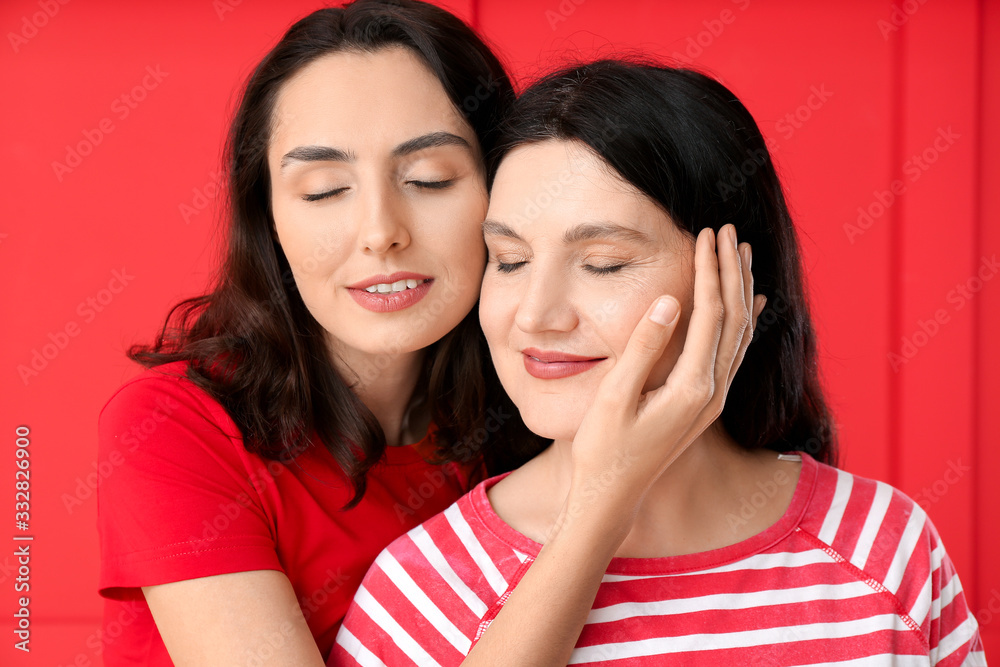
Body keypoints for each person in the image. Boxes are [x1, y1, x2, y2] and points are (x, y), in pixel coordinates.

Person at [329, 59, 987, 665]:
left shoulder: (885, 546)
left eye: (602, 264)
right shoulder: (425, 586)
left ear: (731, 278)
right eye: (510, 260)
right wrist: (604, 499)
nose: (535, 315)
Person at [95, 2, 547, 664]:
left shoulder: (540, 415)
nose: (380, 231)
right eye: (324, 190)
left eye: (430, 178)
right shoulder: (176, 427)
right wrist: (600, 489)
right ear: (270, 220)